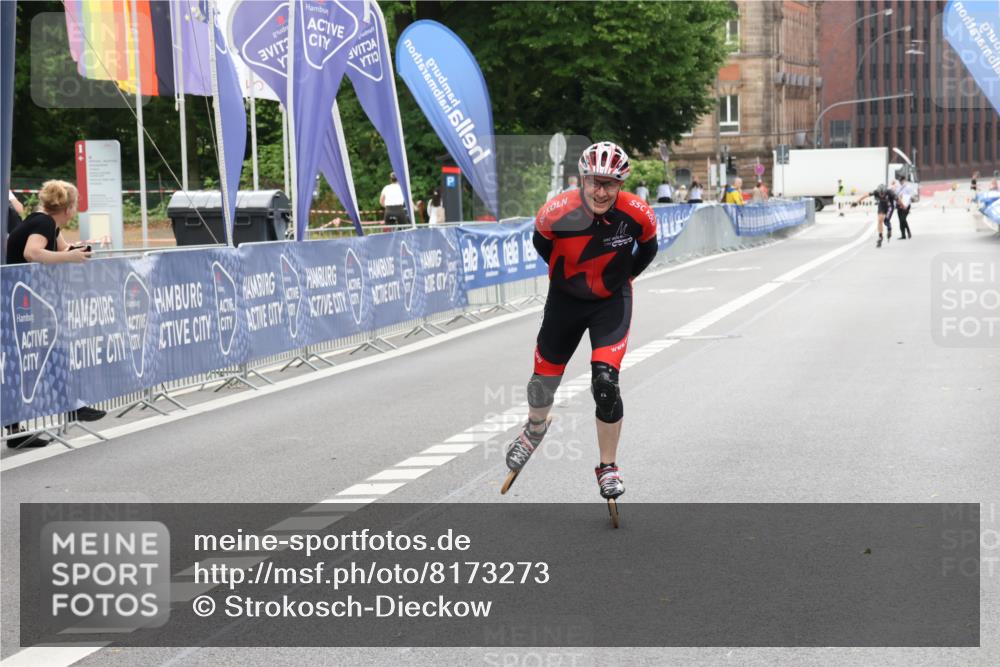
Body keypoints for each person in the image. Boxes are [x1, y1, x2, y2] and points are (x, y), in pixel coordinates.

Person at [503, 142, 658, 502]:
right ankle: (535, 428)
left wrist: (621, 279)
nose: (601, 191)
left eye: (611, 184)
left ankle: (608, 467)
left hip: (611, 304)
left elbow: (648, 250)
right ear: (581, 179)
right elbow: (541, 245)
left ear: (621, 184)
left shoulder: (638, 213)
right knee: (542, 382)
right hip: (565, 302)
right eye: (594, 182)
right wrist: (566, 280)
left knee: (606, 384)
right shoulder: (556, 211)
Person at [4, 181, 105, 448]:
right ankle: (58, 409)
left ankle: (66, 404)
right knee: (26, 360)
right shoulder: (43, 224)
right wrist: (69, 259)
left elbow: (60, 250)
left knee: (39, 356)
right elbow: (32, 252)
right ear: (69, 207)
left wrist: (79, 250)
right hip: (19, 302)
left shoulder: (48, 223)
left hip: (26, 301)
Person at [855, 183, 895, 248]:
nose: (881, 195)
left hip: (889, 206)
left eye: (883, 193)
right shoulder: (876, 191)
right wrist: (857, 201)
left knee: (886, 221)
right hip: (881, 205)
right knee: (880, 220)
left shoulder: (889, 192)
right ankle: (880, 236)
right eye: (880, 193)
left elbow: (898, 199)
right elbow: (866, 195)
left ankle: (889, 229)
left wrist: (903, 206)